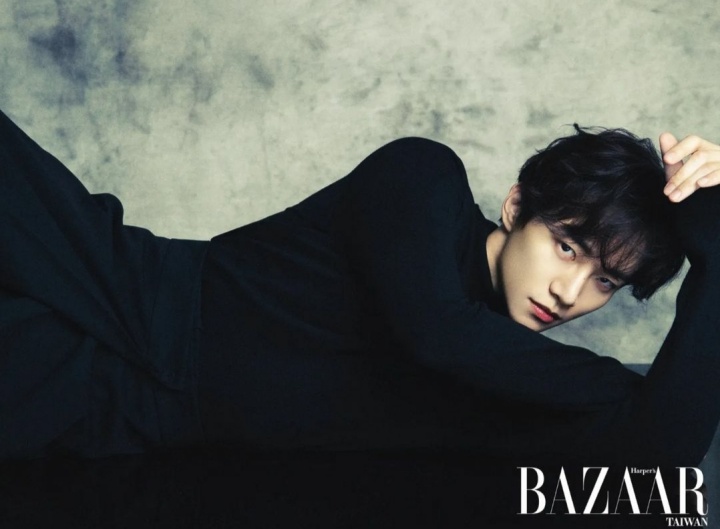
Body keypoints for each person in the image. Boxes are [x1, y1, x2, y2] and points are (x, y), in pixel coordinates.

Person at [1, 108, 719, 468]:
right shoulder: (422, 177)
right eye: (566, 246)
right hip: (108, 295)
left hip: (114, 415)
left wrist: (716, 246)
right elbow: (438, 332)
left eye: (606, 280)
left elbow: (659, 445)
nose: (570, 292)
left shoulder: (509, 373)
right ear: (514, 205)